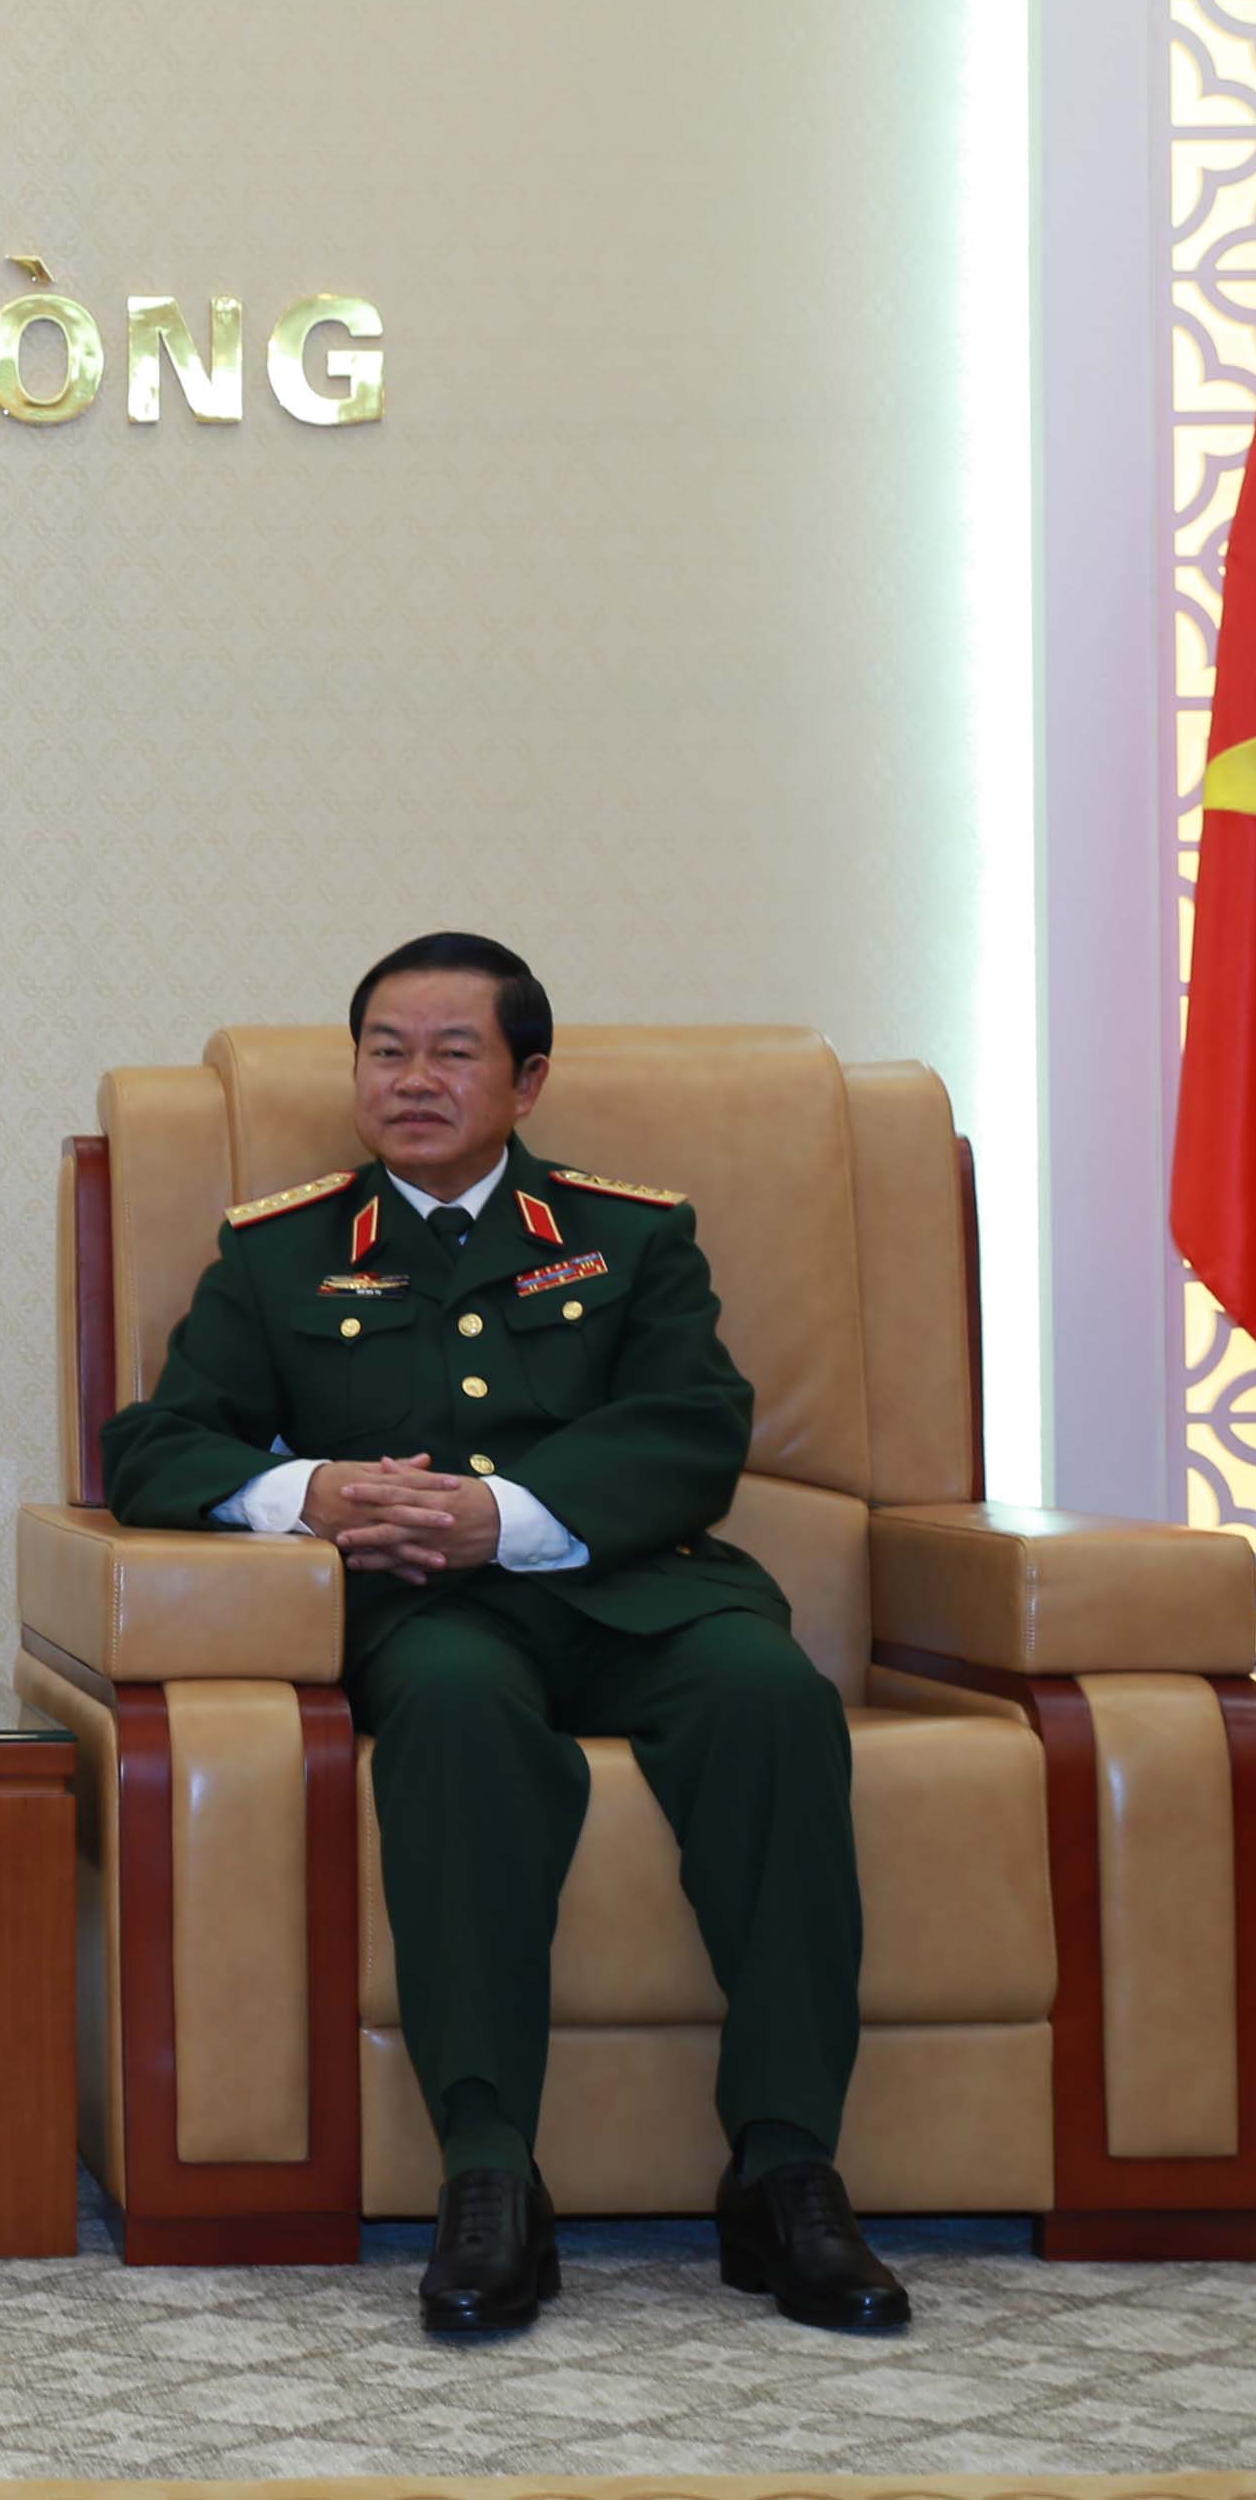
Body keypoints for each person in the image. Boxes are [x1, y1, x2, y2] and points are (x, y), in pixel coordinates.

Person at [99, 933, 908, 2339]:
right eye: (386, 1051)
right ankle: (488, 2174)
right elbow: (155, 1446)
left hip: (641, 1591)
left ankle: (786, 2172)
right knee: (458, 1718)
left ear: (527, 1080)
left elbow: (693, 1429)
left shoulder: (632, 1236)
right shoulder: (279, 1253)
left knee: (773, 1698)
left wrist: (504, 1515)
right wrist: (309, 1493)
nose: (412, 1079)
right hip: (431, 1613)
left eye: (452, 1051)